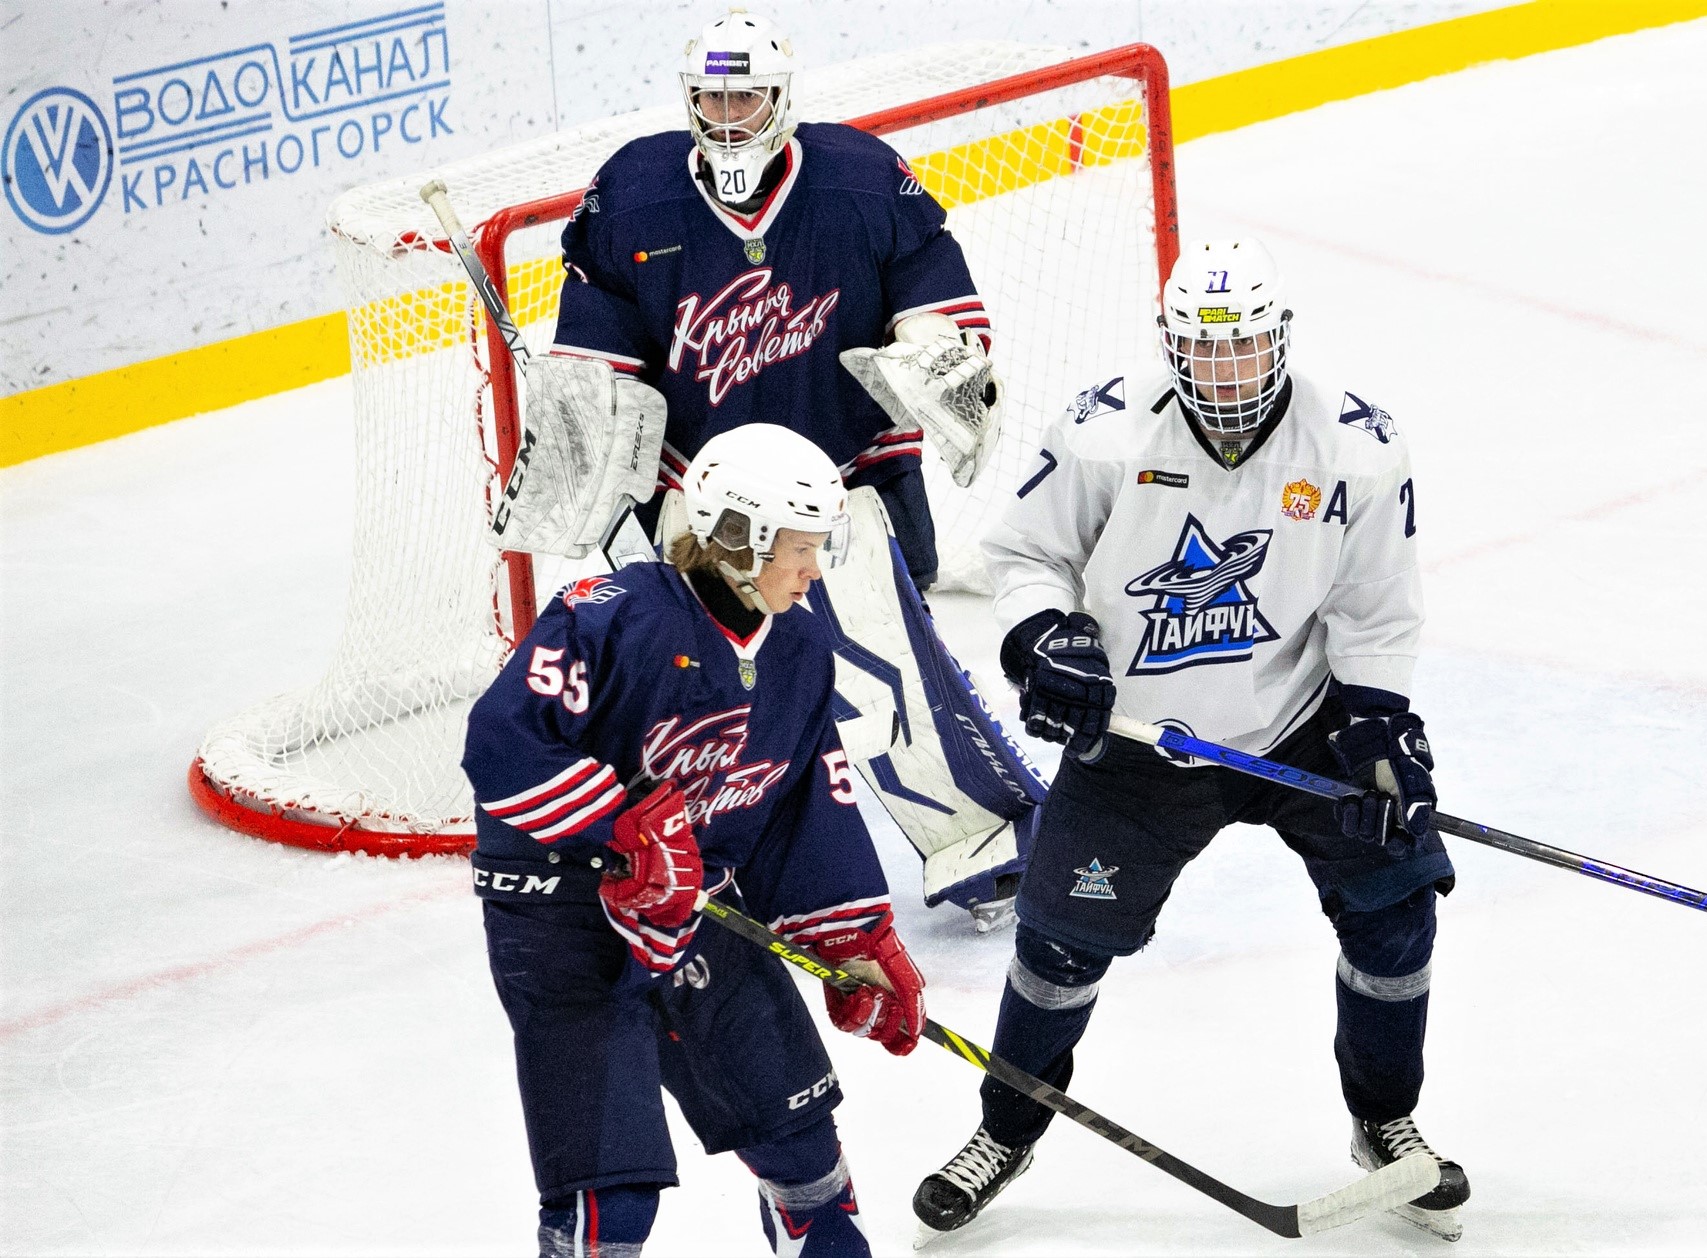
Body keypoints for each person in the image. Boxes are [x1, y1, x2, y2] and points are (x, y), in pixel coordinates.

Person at [912, 239, 1472, 1242]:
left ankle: (1383, 1120)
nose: (1227, 374)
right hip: (1140, 743)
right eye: (1204, 353)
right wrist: (1046, 639)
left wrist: (1378, 721)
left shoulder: (1354, 447)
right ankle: (1006, 1126)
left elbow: (1377, 609)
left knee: (1394, 913)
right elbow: (1024, 557)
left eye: (1246, 349)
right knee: (1055, 949)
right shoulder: (1102, 434)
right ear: (1170, 346)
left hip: (1302, 724)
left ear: (1279, 340)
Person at [490, 9, 1042, 926]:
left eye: (746, 94)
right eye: (710, 96)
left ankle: (980, 839)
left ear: (783, 98)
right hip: (699, 492)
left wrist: (931, 345)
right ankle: (686, 847)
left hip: (845, 469)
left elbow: (933, 289)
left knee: (878, 666)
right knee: (691, 679)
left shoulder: (862, 178)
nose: (728, 113)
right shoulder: (632, 194)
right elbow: (602, 352)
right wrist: (582, 416)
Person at [465, 424, 927, 1257]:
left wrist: (851, 940)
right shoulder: (606, 618)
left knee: (806, 1156)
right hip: (564, 919)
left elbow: (798, 803)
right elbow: (502, 743)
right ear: (737, 538)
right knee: (610, 1204)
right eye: (798, 548)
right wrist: (617, 829)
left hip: (698, 906)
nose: (813, 569)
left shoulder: (798, 647)